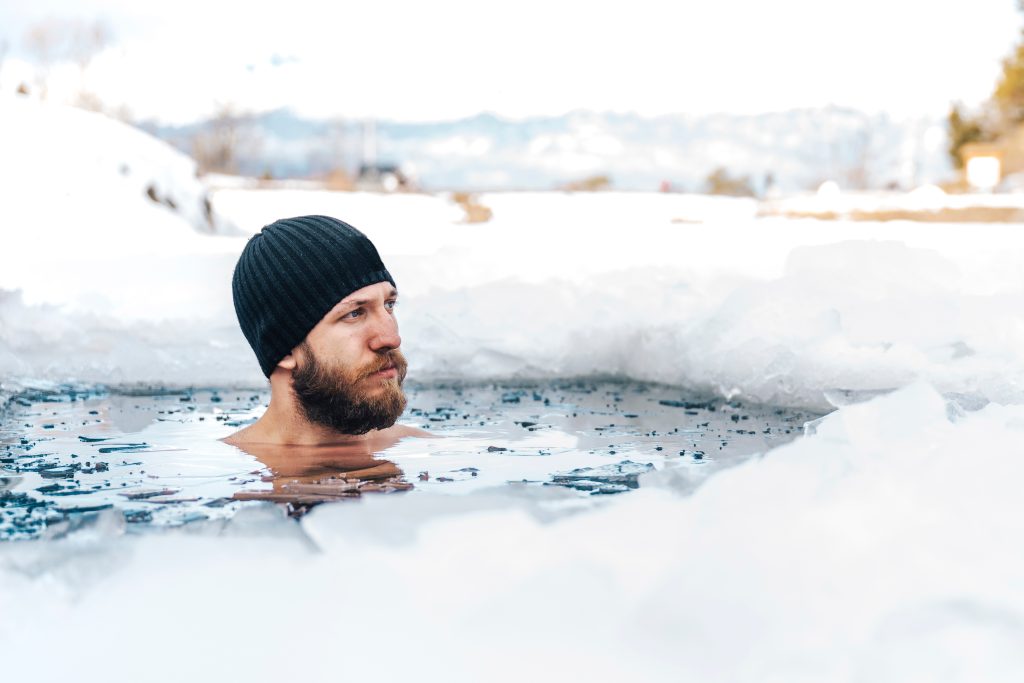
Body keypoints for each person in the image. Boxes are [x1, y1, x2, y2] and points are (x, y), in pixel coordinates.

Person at [223, 215, 424, 451]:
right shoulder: (214, 474)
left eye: (389, 305)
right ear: (286, 349)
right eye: (355, 313)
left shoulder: (428, 451)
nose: (391, 339)